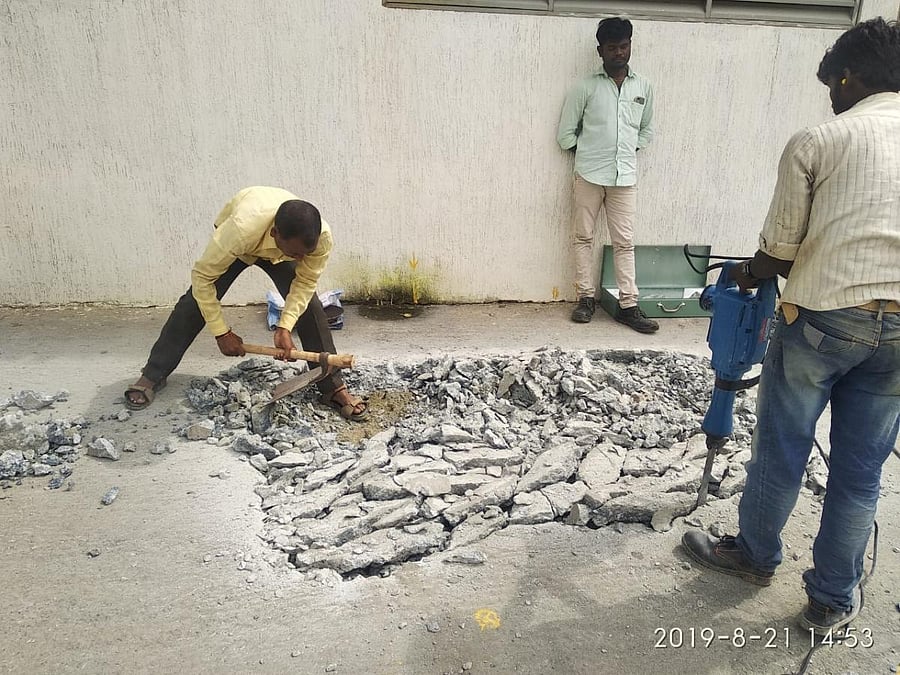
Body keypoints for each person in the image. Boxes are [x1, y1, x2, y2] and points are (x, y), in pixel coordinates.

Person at [681, 18, 900, 636]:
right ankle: (832, 599)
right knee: (862, 471)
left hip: (825, 319)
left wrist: (746, 273)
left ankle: (754, 555)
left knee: (782, 448)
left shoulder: (820, 140)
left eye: (832, 83)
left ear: (850, 77)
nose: (830, 95)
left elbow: (779, 250)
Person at [124, 186, 368, 421]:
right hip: (243, 243)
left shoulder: (320, 239)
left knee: (311, 309)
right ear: (275, 234)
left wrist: (285, 326)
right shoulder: (238, 232)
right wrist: (222, 332)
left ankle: (333, 387)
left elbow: (304, 283)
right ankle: (153, 374)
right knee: (193, 303)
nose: (301, 259)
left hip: (279, 242)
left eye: (306, 253)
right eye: (296, 254)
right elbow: (202, 278)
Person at [557, 17, 657, 333]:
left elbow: (646, 129)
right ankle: (585, 299)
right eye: (612, 48)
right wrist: (589, 152)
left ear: (630, 46)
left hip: (625, 177)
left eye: (624, 46)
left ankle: (628, 305)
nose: (619, 53)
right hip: (588, 174)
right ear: (600, 50)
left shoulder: (643, 87)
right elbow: (565, 135)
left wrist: (630, 149)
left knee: (624, 242)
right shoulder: (585, 87)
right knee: (583, 237)